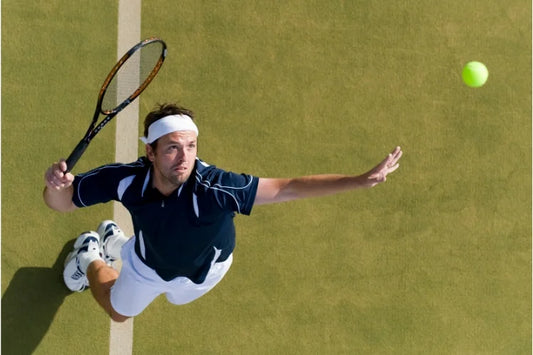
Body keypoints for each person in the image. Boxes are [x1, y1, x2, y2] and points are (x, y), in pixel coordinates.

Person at [44, 103, 403, 322]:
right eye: (172, 148)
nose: (185, 156)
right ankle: (90, 254)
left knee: (176, 298)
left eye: (191, 146)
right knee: (118, 313)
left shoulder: (215, 188)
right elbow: (60, 203)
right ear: (150, 153)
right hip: (148, 265)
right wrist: (55, 187)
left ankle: (114, 241)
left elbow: (288, 186)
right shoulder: (125, 180)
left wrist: (358, 181)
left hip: (206, 272)